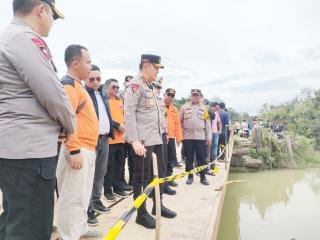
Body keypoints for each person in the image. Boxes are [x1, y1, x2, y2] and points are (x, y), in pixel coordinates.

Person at [0, 1, 75, 240]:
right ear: (42, 10)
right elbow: (52, 93)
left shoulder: (7, 38)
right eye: (53, 16)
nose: (52, 22)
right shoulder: (25, 38)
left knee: (16, 220)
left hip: (14, 148)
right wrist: (68, 125)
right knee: (31, 227)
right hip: (29, 152)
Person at [124, 54, 177, 229]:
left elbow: (156, 113)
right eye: (156, 68)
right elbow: (129, 114)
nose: (157, 71)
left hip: (157, 138)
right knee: (141, 177)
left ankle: (158, 206)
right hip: (143, 141)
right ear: (146, 66)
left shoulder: (151, 87)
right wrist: (134, 141)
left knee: (159, 175)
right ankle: (141, 213)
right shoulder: (134, 85)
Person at [56, 45, 101, 239]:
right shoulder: (68, 85)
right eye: (87, 62)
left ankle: (80, 229)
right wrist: (73, 150)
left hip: (87, 147)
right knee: (72, 197)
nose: (90, 66)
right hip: (78, 148)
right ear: (75, 63)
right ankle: (68, 235)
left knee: (82, 195)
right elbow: (66, 119)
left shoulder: (78, 85)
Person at [84, 65, 114, 225]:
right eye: (92, 79)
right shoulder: (84, 94)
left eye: (98, 79)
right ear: (85, 79)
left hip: (104, 139)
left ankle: (96, 200)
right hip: (90, 140)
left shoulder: (102, 94)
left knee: (100, 172)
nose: (96, 82)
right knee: (89, 175)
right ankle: (87, 208)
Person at [103, 78, 131, 202]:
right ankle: (108, 191)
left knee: (119, 165)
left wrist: (124, 126)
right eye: (113, 87)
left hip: (121, 139)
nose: (116, 89)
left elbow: (124, 117)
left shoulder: (120, 101)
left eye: (117, 87)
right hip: (110, 139)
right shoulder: (104, 102)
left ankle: (118, 187)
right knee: (109, 166)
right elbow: (104, 118)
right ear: (107, 87)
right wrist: (117, 125)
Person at [180, 89, 212, 185]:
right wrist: (180, 135)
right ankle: (190, 177)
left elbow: (207, 123)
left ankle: (203, 177)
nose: (195, 97)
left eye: (196, 95)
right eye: (193, 95)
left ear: (200, 96)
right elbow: (179, 121)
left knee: (201, 158)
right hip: (187, 137)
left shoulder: (204, 108)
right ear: (190, 96)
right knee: (189, 158)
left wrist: (209, 136)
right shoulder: (184, 107)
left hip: (200, 137)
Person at [164, 88, 183, 188]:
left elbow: (177, 125)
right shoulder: (159, 106)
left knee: (171, 159)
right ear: (164, 94)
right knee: (162, 160)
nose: (170, 97)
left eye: (172, 96)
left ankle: (169, 178)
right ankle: (162, 181)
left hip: (171, 138)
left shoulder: (174, 109)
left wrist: (179, 138)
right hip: (161, 138)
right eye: (168, 95)